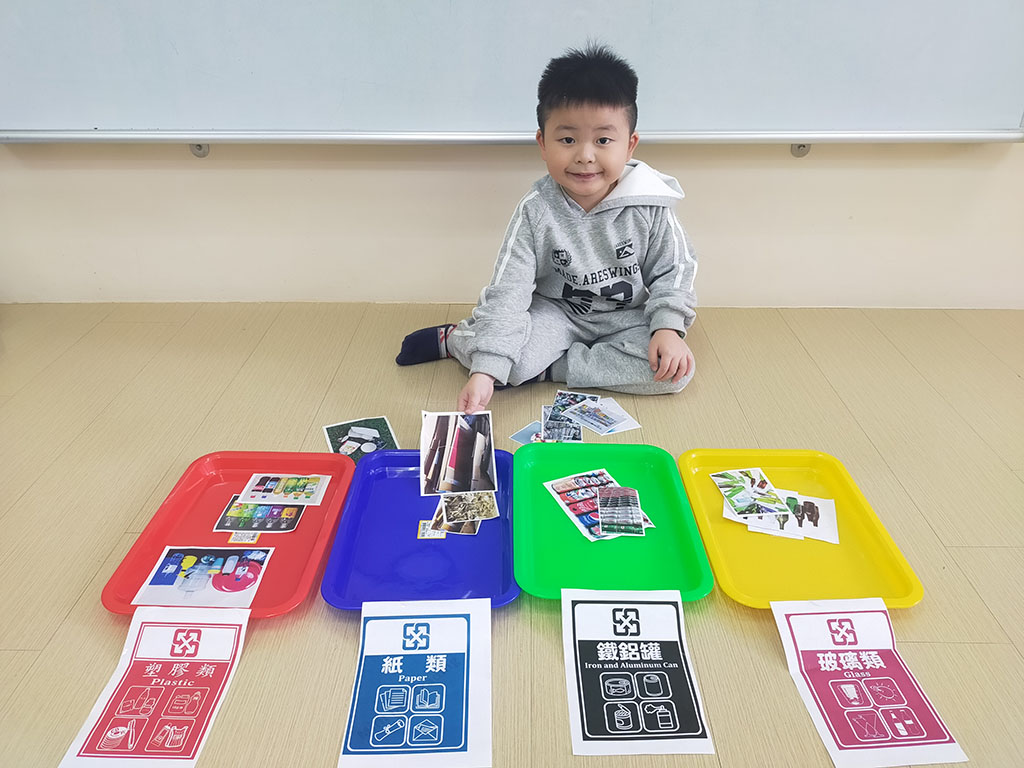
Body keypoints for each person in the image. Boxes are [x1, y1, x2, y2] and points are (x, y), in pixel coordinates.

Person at [396, 44, 697, 413]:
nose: (585, 155)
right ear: (542, 142)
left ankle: (553, 368)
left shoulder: (652, 202)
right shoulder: (536, 210)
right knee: (505, 364)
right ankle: (457, 339)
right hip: (556, 313)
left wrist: (667, 327)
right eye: (567, 140)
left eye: (603, 140)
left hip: (625, 318)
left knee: (673, 372)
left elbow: (675, 271)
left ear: (630, 145)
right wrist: (487, 369)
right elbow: (509, 291)